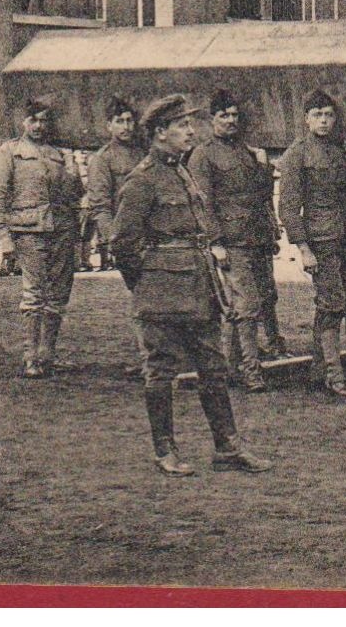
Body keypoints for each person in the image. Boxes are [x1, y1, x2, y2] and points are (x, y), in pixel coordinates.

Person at [111, 94, 271, 476]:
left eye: (191, 124)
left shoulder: (182, 170)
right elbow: (122, 244)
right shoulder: (143, 180)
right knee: (161, 371)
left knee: (214, 369)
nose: (190, 131)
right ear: (159, 132)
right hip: (162, 293)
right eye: (182, 125)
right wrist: (149, 283)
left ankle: (227, 446)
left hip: (200, 289)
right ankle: (164, 450)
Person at [276, 89, 346, 399]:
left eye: (328, 115)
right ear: (307, 119)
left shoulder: (340, 153)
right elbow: (289, 208)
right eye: (317, 115)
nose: (324, 120)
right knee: (332, 302)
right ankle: (334, 376)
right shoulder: (297, 154)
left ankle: (319, 369)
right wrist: (303, 248)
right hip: (320, 241)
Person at [188, 89, 288, 394]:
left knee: (242, 306)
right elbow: (202, 203)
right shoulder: (202, 155)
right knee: (247, 306)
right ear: (211, 119)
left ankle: (226, 368)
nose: (231, 120)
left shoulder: (246, 152)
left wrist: (262, 166)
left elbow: (261, 197)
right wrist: (215, 242)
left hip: (255, 238)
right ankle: (250, 371)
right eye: (224, 116)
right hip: (230, 242)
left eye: (234, 115)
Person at [0, 97, 84, 378]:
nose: (39, 126)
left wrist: (74, 174)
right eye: (33, 120)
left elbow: (72, 196)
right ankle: (31, 357)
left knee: (59, 294)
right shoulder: (9, 153)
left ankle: (47, 355)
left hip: (62, 230)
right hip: (28, 232)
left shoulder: (57, 154)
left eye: (44, 120)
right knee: (34, 292)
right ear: (23, 122)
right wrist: (3, 236)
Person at [84, 97, 145, 274]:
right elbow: (100, 205)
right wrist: (113, 240)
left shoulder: (143, 153)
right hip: (125, 236)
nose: (125, 127)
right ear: (109, 125)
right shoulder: (102, 159)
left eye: (129, 121)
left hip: (149, 233)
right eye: (119, 121)